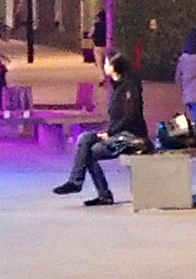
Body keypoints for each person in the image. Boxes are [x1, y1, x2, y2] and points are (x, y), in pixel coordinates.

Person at [54, 52, 148, 206]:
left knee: (89, 153)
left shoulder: (130, 86)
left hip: (131, 137)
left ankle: (99, 193)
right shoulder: (116, 86)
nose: (103, 66)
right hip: (117, 133)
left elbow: (130, 116)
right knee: (85, 138)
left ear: (114, 66)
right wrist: (109, 132)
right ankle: (75, 182)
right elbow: (116, 117)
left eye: (105, 63)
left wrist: (110, 133)